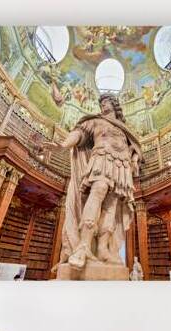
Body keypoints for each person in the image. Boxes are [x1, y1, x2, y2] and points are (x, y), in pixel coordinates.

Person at [44, 94, 142, 273]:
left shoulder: (124, 128)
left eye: (105, 102)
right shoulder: (95, 120)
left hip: (121, 164)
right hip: (101, 157)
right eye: (101, 103)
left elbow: (135, 147)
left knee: (112, 204)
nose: (102, 105)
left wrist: (134, 160)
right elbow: (79, 133)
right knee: (98, 190)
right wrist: (63, 145)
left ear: (114, 104)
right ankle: (83, 245)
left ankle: (103, 249)